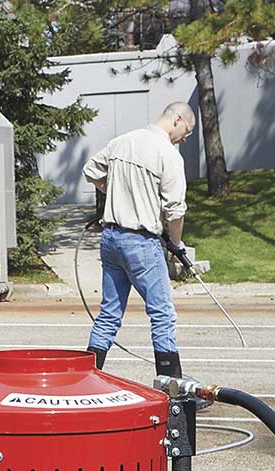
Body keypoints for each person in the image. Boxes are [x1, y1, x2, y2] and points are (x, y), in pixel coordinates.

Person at [82, 102, 195, 378]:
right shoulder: (168, 154)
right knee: (162, 314)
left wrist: (114, 190)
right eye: (187, 131)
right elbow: (176, 210)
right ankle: (171, 386)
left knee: (109, 314)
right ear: (177, 119)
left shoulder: (122, 142)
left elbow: (90, 170)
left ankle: (86, 378)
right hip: (141, 242)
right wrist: (176, 244)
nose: (185, 138)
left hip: (110, 240)